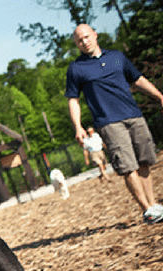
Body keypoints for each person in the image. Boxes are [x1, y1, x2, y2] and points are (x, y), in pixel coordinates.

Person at [66, 24, 163, 224]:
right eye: (79, 40)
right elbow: (73, 100)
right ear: (76, 44)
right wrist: (78, 126)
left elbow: (138, 80)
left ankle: (153, 204)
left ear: (95, 35)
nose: (84, 42)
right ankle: (146, 209)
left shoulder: (117, 57)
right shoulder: (76, 68)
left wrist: (159, 96)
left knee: (145, 161)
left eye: (86, 37)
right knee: (128, 167)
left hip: (134, 115)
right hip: (108, 122)